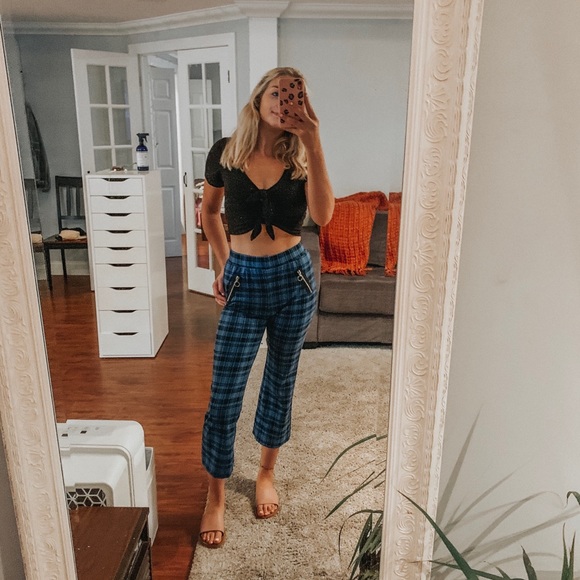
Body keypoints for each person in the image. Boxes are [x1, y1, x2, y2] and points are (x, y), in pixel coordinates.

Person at [198, 66, 334, 548]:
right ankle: (215, 495)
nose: (284, 102)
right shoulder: (225, 153)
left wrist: (314, 142)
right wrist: (223, 264)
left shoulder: (302, 158)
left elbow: (322, 216)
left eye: (295, 95)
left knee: (280, 381)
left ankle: (265, 473)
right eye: (277, 93)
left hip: (293, 280)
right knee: (224, 394)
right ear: (259, 99)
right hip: (243, 279)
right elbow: (208, 212)